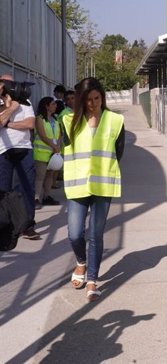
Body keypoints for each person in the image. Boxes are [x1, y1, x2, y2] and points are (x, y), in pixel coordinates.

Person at [62, 77, 125, 302]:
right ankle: (81, 262)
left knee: (95, 235)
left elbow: (118, 152)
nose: (93, 103)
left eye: (97, 98)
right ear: (81, 100)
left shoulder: (115, 120)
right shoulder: (68, 121)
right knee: (74, 233)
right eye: (88, 100)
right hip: (77, 183)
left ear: (102, 97)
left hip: (102, 184)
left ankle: (92, 280)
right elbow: (66, 149)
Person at [0, 75, 38, 240]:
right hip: (3, 151)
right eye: (5, 83)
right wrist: (11, 108)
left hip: (24, 150)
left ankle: (27, 225)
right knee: (3, 190)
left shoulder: (25, 102)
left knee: (26, 188)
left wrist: (8, 123)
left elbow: (30, 124)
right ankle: (5, 225)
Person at [33, 97, 62, 206]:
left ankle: (46, 196)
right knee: (40, 176)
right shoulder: (40, 118)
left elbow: (59, 134)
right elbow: (42, 135)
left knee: (50, 175)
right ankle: (36, 198)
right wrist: (54, 146)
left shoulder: (55, 119)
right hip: (41, 152)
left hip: (53, 152)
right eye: (53, 104)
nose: (56, 106)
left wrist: (57, 145)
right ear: (46, 106)